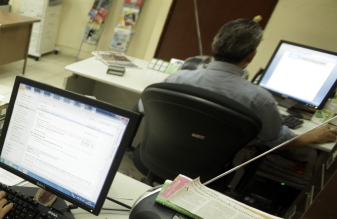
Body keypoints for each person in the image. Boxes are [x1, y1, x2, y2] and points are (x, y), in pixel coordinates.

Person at [140, 19, 337, 185]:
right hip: (208, 175)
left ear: (213, 46)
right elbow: (275, 141)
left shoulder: (177, 79)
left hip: (155, 160)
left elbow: (143, 107)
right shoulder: (259, 99)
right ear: (251, 55)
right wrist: (310, 137)